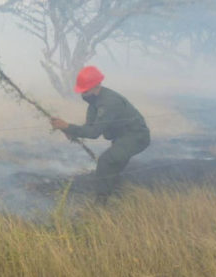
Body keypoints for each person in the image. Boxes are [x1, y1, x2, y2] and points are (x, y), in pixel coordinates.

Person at [50, 66, 150, 203]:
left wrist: (68, 126)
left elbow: (94, 133)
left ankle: (101, 203)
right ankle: (115, 197)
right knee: (112, 168)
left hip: (136, 137)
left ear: (96, 87)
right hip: (122, 138)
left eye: (85, 91)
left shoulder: (109, 103)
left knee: (106, 161)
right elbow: (89, 127)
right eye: (82, 91)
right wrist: (70, 131)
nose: (83, 94)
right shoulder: (94, 102)